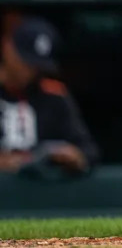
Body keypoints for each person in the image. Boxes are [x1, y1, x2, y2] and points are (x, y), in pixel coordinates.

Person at [0, 16, 98, 175]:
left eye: (36, 65)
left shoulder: (54, 95)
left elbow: (88, 150)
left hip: (39, 193)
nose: (31, 71)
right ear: (8, 48)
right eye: (26, 62)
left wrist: (74, 156)